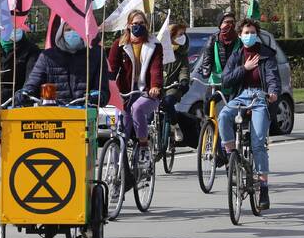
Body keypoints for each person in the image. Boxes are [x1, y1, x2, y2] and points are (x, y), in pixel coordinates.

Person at [218, 18, 281, 211]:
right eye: (245, 33)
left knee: (258, 142)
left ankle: (263, 187)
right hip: (241, 96)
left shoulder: (266, 54)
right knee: (223, 116)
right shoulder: (237, 55)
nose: (249, 35)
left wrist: (273, 93)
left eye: (252, 32)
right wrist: (244, 69)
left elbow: (272, 77)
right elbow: (226, 80)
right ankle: (230, 154)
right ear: (240, 35)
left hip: (260, 97)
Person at [107, 10, 163, 147]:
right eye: (135, 23)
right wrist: (106, 86)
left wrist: (155, 86)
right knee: (122, 131)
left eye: (142, 23)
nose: (139, 26)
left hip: (147, 90)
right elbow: (111, 69)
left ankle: (143, 143)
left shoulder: (155, 45)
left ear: (147, 25)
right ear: (128, 25)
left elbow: (156, 68)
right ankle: (118, 165)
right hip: (126, 91)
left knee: (137, 108)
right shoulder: (119, 45)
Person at [21, 21, 108, 106]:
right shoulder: (47, 56)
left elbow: (103, 90)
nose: (72, 33)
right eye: (68, 30)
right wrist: (24, 93)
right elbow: (33, 83)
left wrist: (98, 97)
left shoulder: (96, 54)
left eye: (76, 29)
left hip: (85, 112)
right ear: (61, 32)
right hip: (54, 113)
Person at [192, 11, 242, 90]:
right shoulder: (213, 39)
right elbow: (207, 59)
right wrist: (205, 71)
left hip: (234, 82)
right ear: (220, 25)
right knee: (209, 101)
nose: (230, 25)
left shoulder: (240, 41)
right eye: (227, 22)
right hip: (216, 83)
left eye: (232, 22)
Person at [161, 23, 190, 142]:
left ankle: (175, 125)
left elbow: (184, 69)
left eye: (184, 34)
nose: (183, 37)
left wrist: (183, 81)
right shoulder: (160, 50)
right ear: (171, 36)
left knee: (168, 102)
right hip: (157, 85)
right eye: (180, 35)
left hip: (173, 86)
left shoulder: (182, 54)